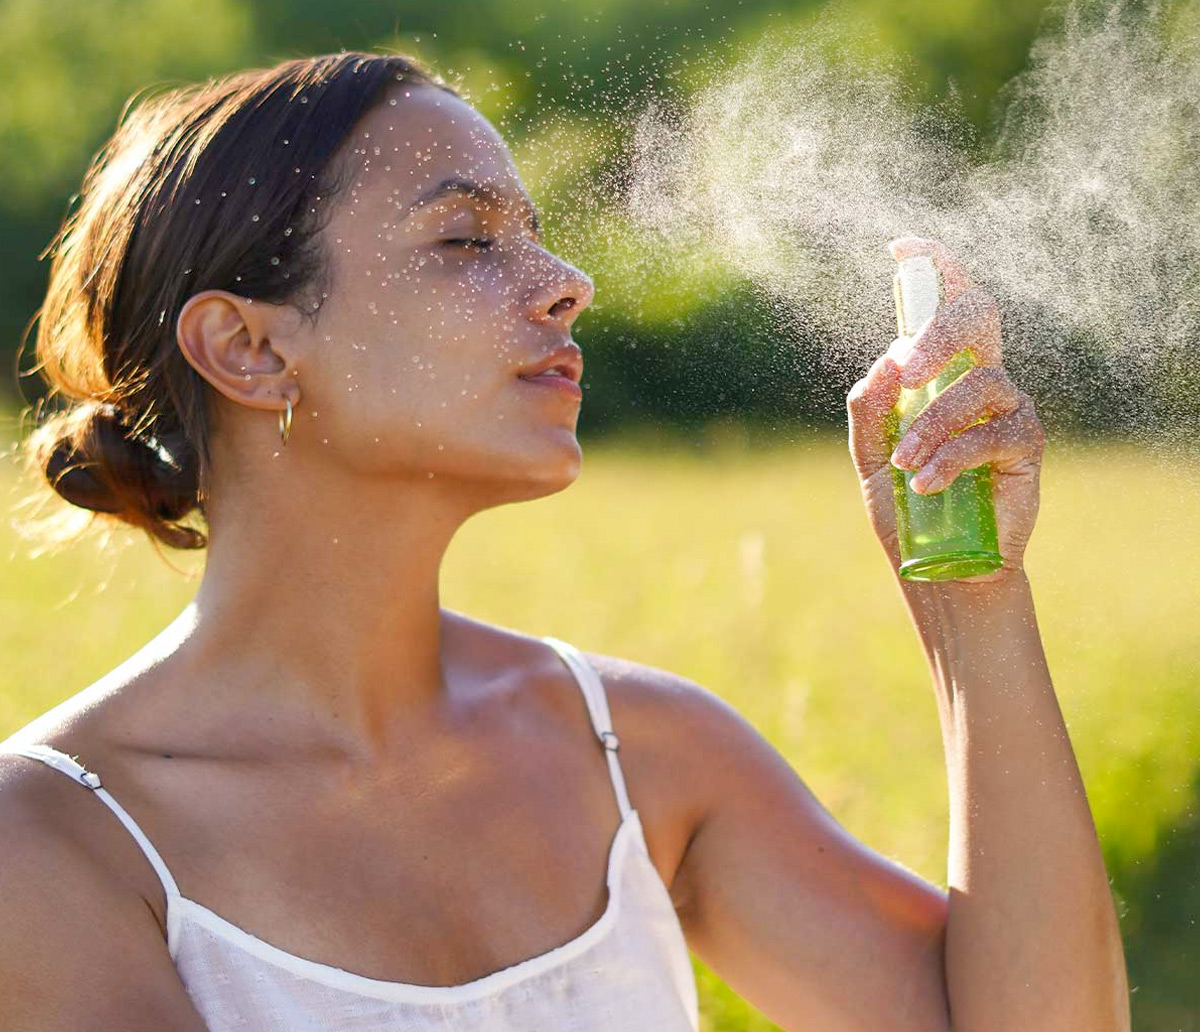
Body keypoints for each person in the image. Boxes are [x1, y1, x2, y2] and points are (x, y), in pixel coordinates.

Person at [0, 51, 1128, 1031]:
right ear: (248, 349)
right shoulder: (53, 842)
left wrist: (970, 595)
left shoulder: (641, 755)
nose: (568, 286)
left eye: (537, 235)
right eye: (463, 238)